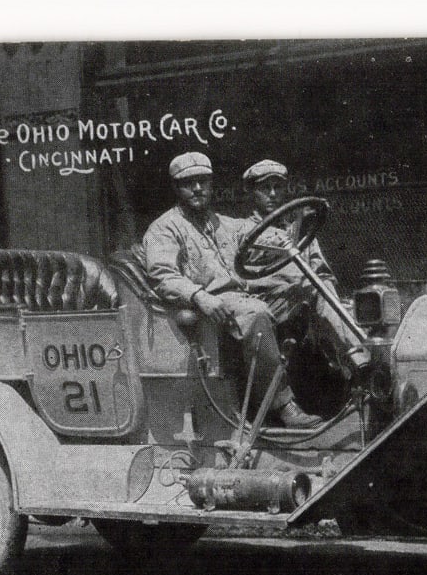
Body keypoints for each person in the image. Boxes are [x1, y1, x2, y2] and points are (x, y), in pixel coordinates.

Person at [137, 151, 323, 428]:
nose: (198, 188)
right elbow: (163, 275)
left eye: (203, 181)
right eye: (189, 183)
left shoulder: (224, 223)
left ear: (211, 185)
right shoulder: (165, 228)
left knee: (307, 286)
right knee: (256, 313)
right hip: (211, 304)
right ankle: (283, 405)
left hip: (244, 292)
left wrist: (295, 228)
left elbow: (260, 238)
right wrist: (200, 296)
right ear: (176, 187)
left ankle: (352, 373)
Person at [233, 159, 369, 378]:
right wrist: (291, 236)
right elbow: (249, 260)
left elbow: (321, 269)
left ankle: (359, 368)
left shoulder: (300, 231)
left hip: (306, 300)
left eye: (278, 187)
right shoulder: (241, 230)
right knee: (316, 290)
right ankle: (357, 359)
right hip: (268, 304)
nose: (273, 194)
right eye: (265, 188)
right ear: (252, 193)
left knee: (335, 294)